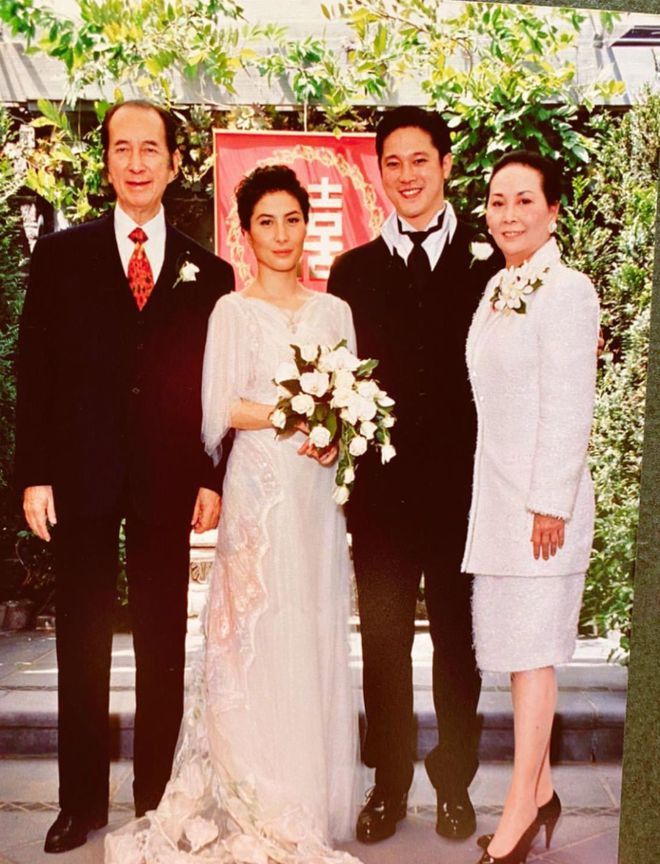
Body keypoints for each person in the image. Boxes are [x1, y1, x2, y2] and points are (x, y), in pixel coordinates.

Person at [105, 165, 362, 864]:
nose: (281, 235)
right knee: (254, 626)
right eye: (265, 223)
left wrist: (333, 432)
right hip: (258, 489)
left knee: (309, 623)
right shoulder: (232, 310)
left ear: (309, 226)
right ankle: (255, 787)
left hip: (315, 491)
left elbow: (350, 401)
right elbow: (217, 409)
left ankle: (307, 792)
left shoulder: (334, 312)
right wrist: (294, 412)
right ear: (245, 233)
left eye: (292, 220)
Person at [15, 99, 234, 854]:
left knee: (161, 640)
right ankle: (78, 803)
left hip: (167, 477)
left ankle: (154, 797)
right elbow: (35, 370)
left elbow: (216, 386)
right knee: (81, 640)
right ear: (106, 161)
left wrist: (212, 476)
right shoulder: (62, 256)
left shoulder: (210, 272)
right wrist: (34, 474)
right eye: (122, 148)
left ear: (175, 163)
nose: (137, 162)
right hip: (79, 475)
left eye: (151, 148)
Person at [327, 106, 502, 844]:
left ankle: (454, 785)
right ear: (379, 171)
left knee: (461, 646)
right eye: (392, 163)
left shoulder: (493, 263)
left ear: (446, 164)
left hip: (468, 497)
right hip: (383, 501)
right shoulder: (352, 271)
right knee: (384, 644)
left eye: (419, 160)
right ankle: (389, 784)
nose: (406, 175)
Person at [463, 151, 599, 864]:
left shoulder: (568, 290)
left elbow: (572, 404)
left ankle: (519, 810)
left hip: (545, 510)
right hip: (499, 502)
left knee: (534, 657)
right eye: (498, 201)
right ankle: (541, 792)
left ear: (552, 211)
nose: (509, 214)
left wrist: (550, 503)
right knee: (516, 656)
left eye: (524, 201)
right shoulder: (498, 287)